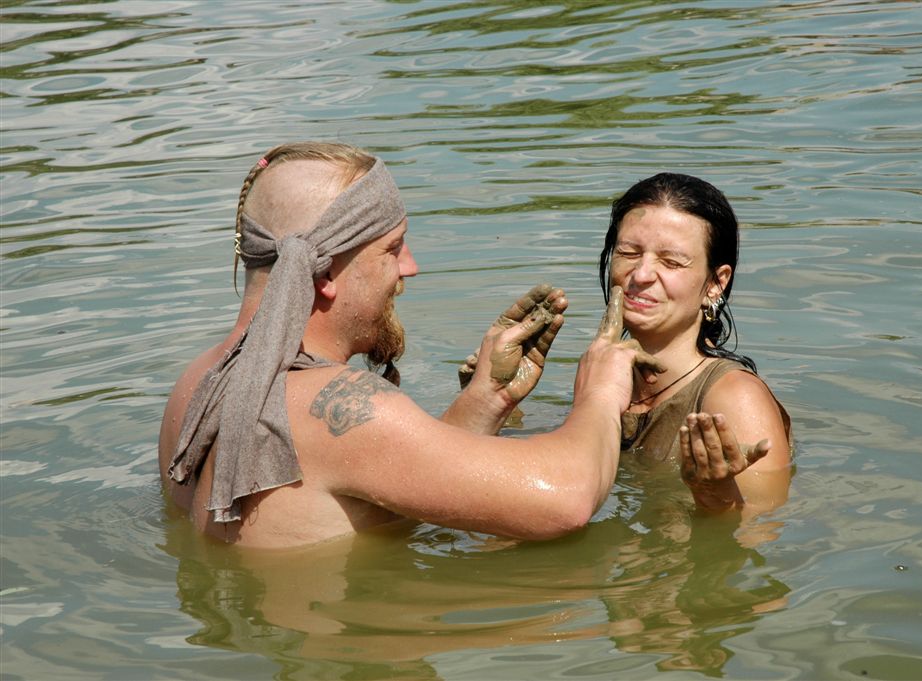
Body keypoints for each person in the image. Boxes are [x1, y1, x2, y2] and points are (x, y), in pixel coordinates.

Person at [158, 141, 658, 548]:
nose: (410, 267)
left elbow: (378, 488)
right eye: (392, 248)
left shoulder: (196, 384)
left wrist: (485, 399)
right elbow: (565, 502)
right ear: (326, 274)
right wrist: (601, 392)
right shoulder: (346, 407)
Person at [598, 172, 792, 513]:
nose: (641, 275)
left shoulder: (735, 398)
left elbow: (762, 530)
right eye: (628, 252)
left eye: (671, 262)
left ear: (716, 283)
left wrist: (715, 497)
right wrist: (504, 399)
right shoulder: (609, 375)